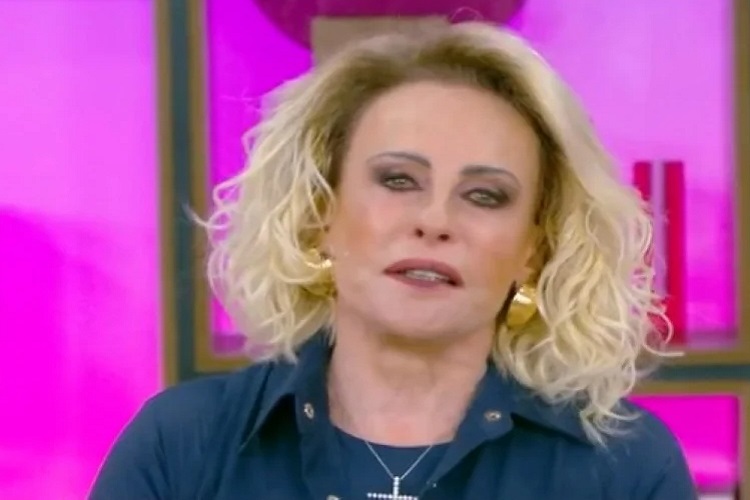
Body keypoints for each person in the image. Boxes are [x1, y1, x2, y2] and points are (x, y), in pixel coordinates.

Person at [90, 22, 697, 499]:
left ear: (532, 252)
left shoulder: (625, 470)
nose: (434, 220)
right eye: (399, 180)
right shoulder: (183, 446)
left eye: (485, 195)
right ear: (320, 214)